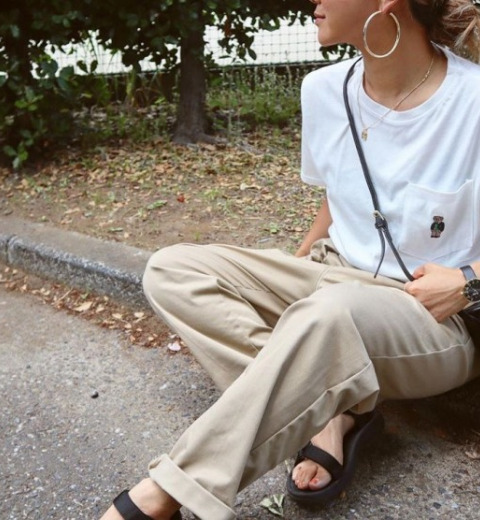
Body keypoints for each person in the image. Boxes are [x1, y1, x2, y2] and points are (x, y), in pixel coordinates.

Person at [100, 0, 480, 519]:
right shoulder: (323, 89)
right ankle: (328, 414)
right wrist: (291, 271)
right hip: (334, 273)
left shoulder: (472, 100)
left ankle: (167, 492)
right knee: (172, 270)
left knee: (327, 314)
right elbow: (339, 197)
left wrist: (468, 282)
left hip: (430, 313)